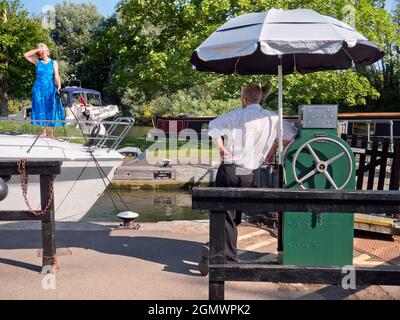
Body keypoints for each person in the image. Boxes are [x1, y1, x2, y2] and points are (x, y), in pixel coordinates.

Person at [198, 83, 298, 275]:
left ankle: (222, 255)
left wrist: (220, 146)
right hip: (247, 174)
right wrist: (274, 147)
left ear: (244, 99)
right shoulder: (273, 118)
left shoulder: (236, 115)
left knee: (224, 214)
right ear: (259, 99)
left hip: (229, 169)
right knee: (234, 216)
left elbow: (213, 126)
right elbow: (293, 135)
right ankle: (219, 251)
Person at [24, 43, 65, 138]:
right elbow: (26, 55)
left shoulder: (53, 62)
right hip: (38, 89)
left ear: (47, 51)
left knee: (52, 107)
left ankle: (52, 133)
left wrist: (59, 86)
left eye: (44, 48)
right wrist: (37, 49)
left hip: (50, 88)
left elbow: (56, 76)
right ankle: (43, 132)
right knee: (41, 108)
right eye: (40, 49)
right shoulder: (37, 62)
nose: (42, 51)